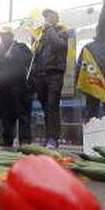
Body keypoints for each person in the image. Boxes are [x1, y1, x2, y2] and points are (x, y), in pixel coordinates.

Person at [32, 9, 68, 149]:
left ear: (56, 18)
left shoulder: (61, 31)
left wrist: (50, 29)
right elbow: (37, 55)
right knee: (46, 107)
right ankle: (48, 137)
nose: (46, 18)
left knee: (53, 106)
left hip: (55, 73)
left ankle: (53, 138)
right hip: (41, 74)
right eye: (45, 16)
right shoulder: (42, 35)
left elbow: (59, 45)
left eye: (49, 16)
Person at [0, 26, 33, 147]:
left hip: (19, 86)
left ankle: (25, 140)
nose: (2, 38)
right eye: (1, 36)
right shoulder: (0, 50)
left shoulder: (21, 47)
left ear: (11, 36)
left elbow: (29, 60)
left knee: (22, 114)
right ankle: (7, 138)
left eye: (5, 35)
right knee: (5, 114)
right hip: (4, 88)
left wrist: (13, 54)